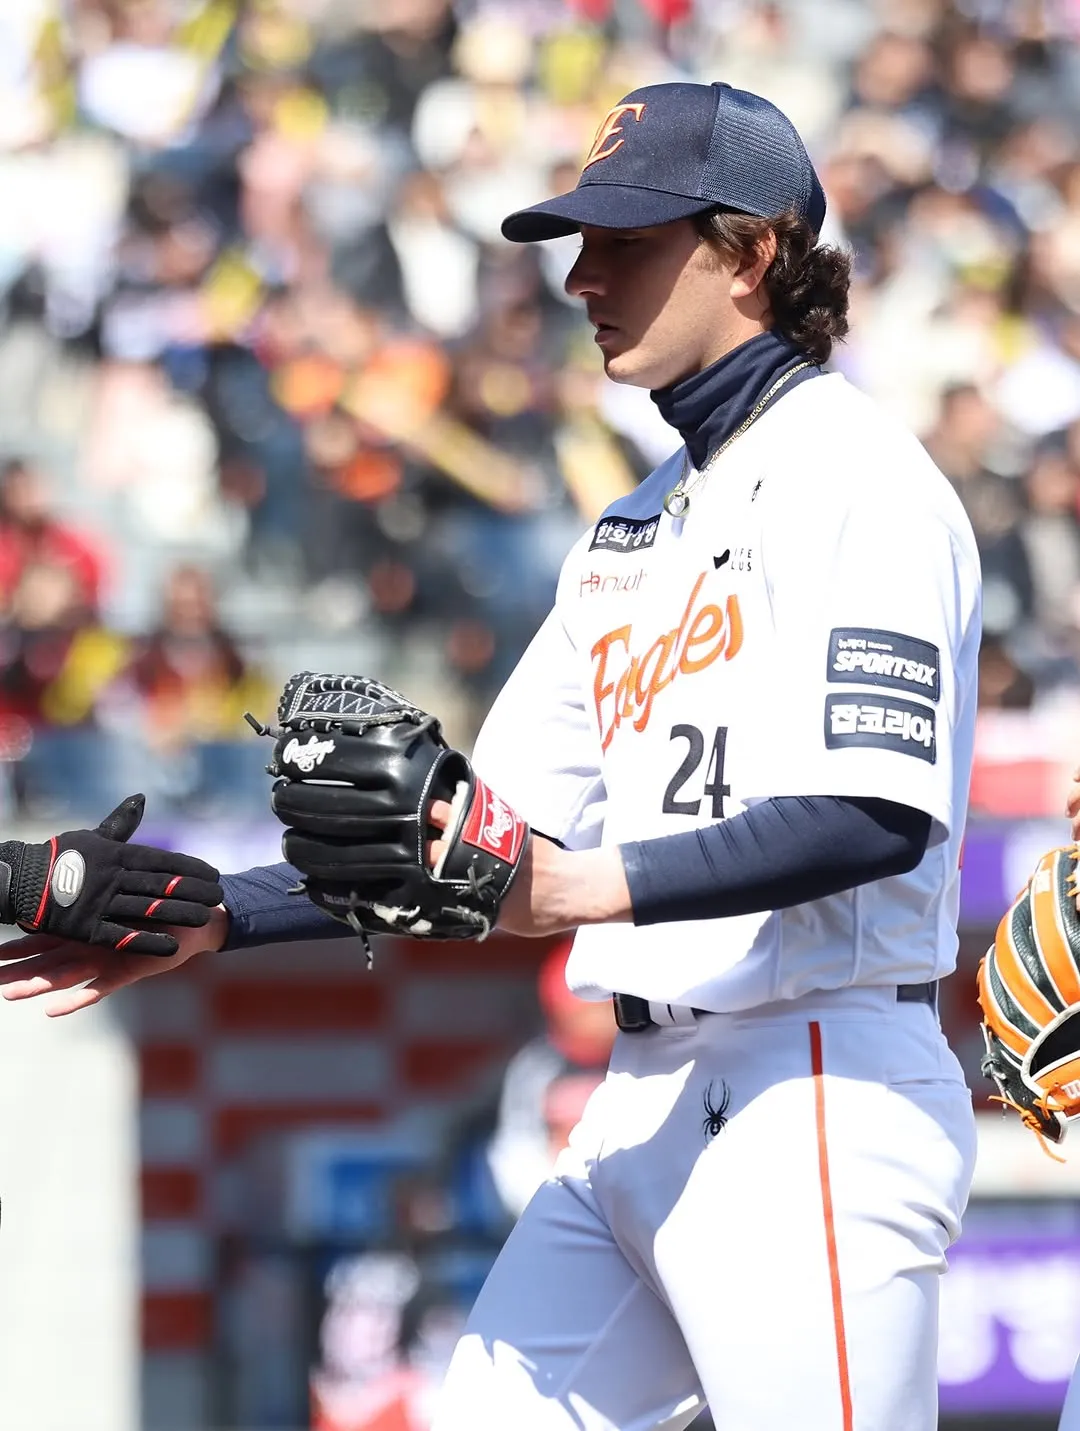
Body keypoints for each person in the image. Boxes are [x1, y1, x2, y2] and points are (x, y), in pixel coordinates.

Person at [0, 81, 982, 1430]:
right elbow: (465, 838)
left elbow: (874, 815)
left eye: (627, 241)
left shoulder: (858, 477)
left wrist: (575, 889)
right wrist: (217, 911)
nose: (582, 276)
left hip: (809, 1080)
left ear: (753, 251)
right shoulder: (631, 531)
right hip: (640, 1102)